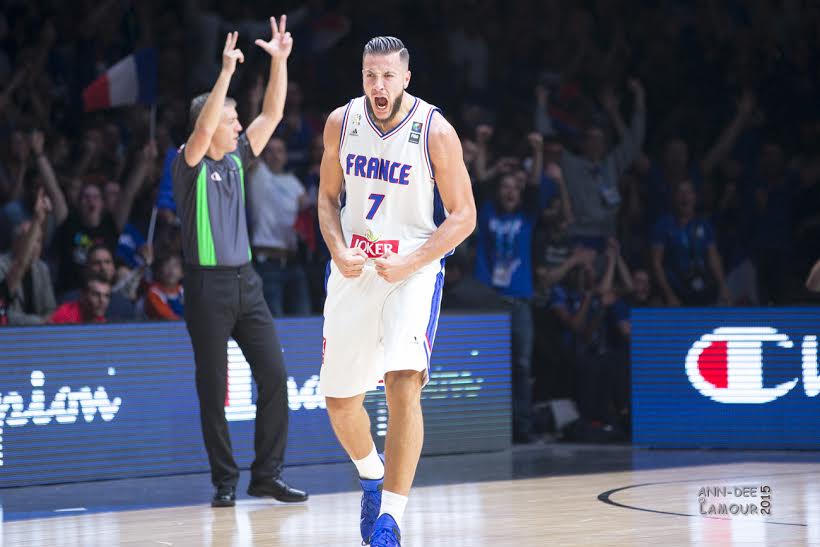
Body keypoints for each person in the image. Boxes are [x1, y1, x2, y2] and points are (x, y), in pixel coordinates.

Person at [317, 36, 476, 546]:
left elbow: (464, 216)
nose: (378, 84)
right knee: (340, 403)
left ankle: (390, 519)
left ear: (406, 78)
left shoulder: (435, 130)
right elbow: (327, 199)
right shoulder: (341, 122)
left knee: (403, 380)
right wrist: (337, 249)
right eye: (370, 75)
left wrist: (410, 261)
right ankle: (371, 475)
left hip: (413, 269)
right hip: (354, 268)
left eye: (388, 75)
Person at [171, 17, 307, 508]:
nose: (238, 127)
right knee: (214, 390)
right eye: (231, 121)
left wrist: (280, 61)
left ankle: (266, 475)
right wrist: (225, 72)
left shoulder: (237, 159)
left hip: (247, 284)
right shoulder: (188, 164)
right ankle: (224, 480)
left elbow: (272, 112)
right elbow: (204, 127)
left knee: (274, 375)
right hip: (206, 287)